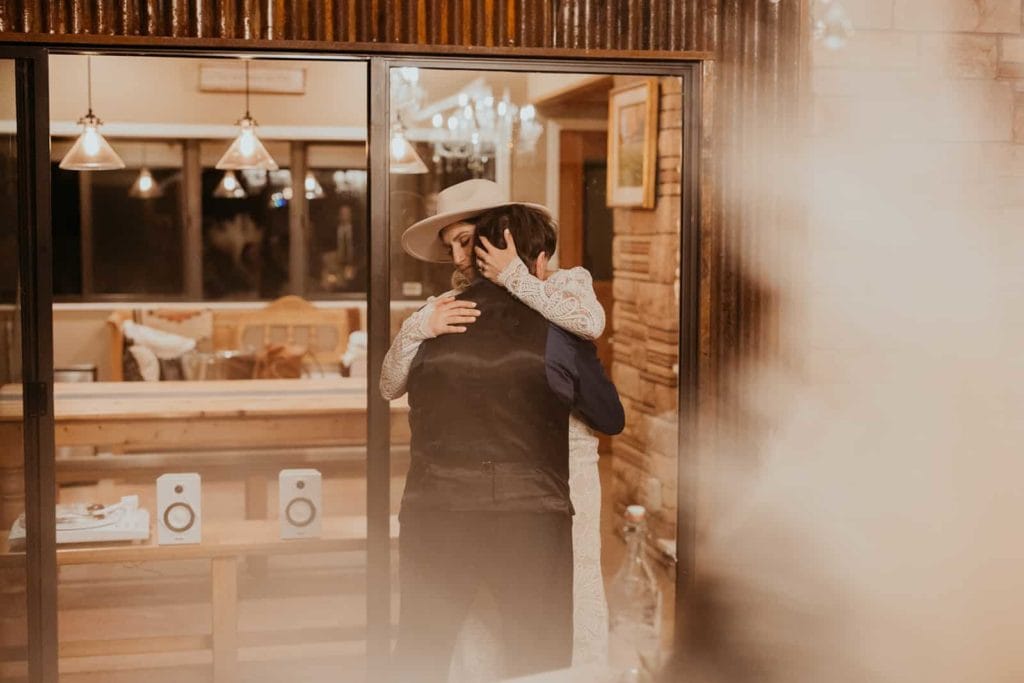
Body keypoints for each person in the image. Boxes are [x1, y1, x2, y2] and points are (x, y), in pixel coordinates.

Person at [381, 179, 618, 680]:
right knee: (535, 653)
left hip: (436, 507)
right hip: (527, 508)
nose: (459, 258)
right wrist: (416, 328)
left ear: (502, 242)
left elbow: (588, 321)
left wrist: (517, 281)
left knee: (423, 648)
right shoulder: (441, 316)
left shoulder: (562, 297)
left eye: (466, 241)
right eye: (452, 247)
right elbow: (609, 416)